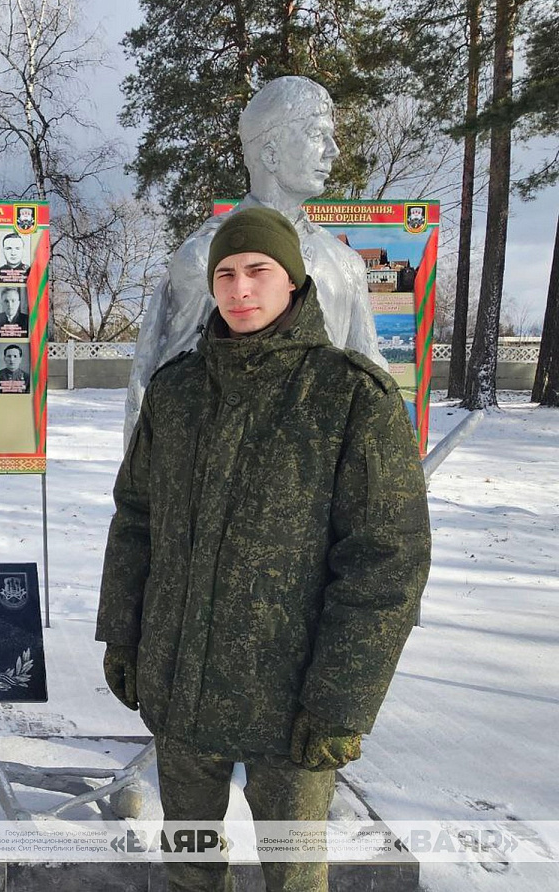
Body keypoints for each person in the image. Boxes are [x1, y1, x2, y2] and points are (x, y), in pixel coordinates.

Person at [97, 207, 431, 892]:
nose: (240, 288)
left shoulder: (349, 397)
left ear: (294, 281)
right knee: (190, 864)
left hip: (291, 706)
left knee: (292, 875)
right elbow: (136, 520)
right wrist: (124, 636)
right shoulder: (176, 392)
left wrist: (340, 701)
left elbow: (385, 561)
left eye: (258, 270)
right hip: (180, 690)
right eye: (225, 273)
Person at [124, 75, 387, 442]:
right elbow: (163, 396)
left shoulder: (344, 265)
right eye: (317, 135)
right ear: (271, 152)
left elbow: (372, 384)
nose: (333, 151)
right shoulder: (204, 259)